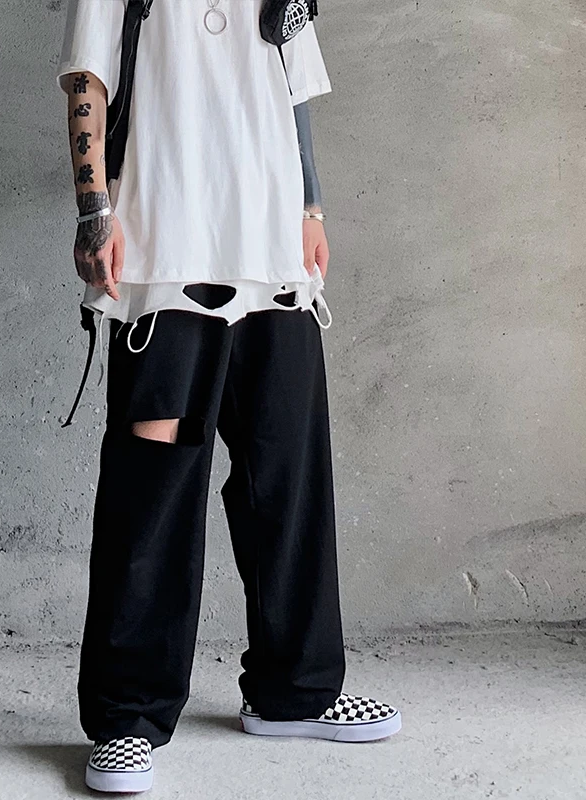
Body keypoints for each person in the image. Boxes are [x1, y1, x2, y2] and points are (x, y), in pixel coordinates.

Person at [56, 0, 401, 793]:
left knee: (290, 476)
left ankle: (296, 690)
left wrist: (310, 207)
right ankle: (126, 719)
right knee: (152, 493)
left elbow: (292, 76)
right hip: (166, 251)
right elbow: (87, 79)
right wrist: (94, 210)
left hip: (273, 251)